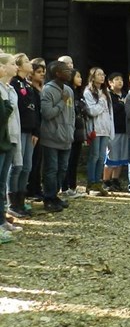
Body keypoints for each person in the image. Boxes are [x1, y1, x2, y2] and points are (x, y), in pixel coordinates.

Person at [39, 61, 75, 213]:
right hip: (51, 136)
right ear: (57, 73)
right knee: (51, 169)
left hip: (66, 136)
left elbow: (72, 114)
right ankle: (48, 198)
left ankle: (55, 195)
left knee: (62, 168)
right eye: (66, 70)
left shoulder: (69, 90)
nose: (70, 72)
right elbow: (47, 113)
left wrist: (71, 131)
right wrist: (62, 101)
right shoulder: (47, 90)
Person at [8, 53, 39, 218]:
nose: (30, 64)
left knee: (27, 166)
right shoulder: (13, 84)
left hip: (29, 130)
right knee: (16, 166)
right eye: (26, 61)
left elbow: (34, 110)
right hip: (18, 129)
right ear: (18, 66)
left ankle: (21, 199)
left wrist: (35, 131)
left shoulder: (27, 85)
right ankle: (13, 202)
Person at [0, 53, 23, 233]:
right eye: (12, 64)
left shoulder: (10, 89)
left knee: (2, 181)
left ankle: (2, 220)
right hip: (2, 137)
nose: (16, 67)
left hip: (11, 136)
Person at [83, 67, 114, 196]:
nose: (102, 77)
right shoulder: (88, 92)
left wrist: (112, 129)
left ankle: (98, 182)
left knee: (102, 157)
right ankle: (91, 182)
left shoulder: (106, 92)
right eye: (99, 74)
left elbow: (110, 113)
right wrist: (101, 100)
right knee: (94, 156)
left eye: (103, 74)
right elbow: (92, 111)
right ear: (93, 77)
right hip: (95, 128)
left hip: (106, 128)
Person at [62, 69, 88, 198]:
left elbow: (85, 110)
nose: (80, 78)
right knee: (68, 159)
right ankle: (65, 187)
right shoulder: (67, 91)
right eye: (78, 76)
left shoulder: (79, 93)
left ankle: (73, 186)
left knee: (74, 160)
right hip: (70, 128)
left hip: (79, 129)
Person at [26, 58, 46, 201]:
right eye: (38, 72)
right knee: (32, 160)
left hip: (44, 128)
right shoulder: (29, 90)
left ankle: (37, 187)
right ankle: (31, 189)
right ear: (31, 74)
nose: (42, 74)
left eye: (43, 72)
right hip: (35, 128)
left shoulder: (43, 89)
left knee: (39, 160)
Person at [105, 72, 128, 192]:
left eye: (121, 80)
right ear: (110, 82)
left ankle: (115, 180)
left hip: (125, 129)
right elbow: (111, 109)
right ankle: (106, 180)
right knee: (111, 156)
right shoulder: (107, 95)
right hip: (113, 129)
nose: (120, 82)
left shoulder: (126, 94)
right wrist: (122, 104)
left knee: (121, 157)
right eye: (117, 79)